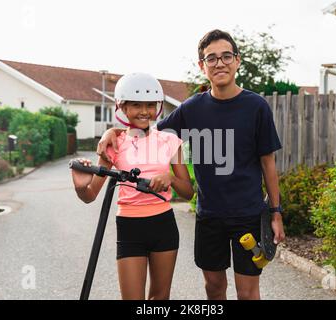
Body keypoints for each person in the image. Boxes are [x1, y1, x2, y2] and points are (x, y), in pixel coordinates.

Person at [97, 30, 285, 300]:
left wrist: (275, 213)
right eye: (212, 58)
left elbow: (268, 163)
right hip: (209, 215)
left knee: (247, 293)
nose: (219, 63)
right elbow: (145, 130)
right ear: (202, 66)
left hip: (248, 215)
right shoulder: (191, 108)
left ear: (237, 61)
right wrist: (112, 132)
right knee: (214, 288)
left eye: (226, 56)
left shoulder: (256, 106)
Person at [71, 72, 194, 300]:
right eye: (136, 105)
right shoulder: (114, 144)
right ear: (123, 108)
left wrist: (171, 178)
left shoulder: (170, 142)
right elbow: (90, 195)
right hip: (129, 229)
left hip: (164, 225)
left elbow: (188, 192)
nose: (144, 111)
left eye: (150, 105)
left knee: (159, 299)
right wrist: (80, 186)